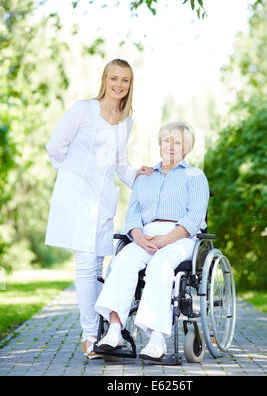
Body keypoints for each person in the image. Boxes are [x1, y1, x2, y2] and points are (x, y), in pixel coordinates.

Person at [45, 58, 152, 359]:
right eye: (114, 78)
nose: (119, 85)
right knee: (84, 265)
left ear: (131, 85)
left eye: (125, 80)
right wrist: (72, 179)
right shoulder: (83, 109)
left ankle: (99, 333)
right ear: (104, 79)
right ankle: (90, 336)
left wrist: (139, 178)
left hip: (105, 199)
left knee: (98, 266)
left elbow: (120, 164)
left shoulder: (125, 120)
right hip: (78, 197)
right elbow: (55, 147)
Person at [94, 121, 210, 360]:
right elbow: (133, 213)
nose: (171, 146)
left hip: (181, 237)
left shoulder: (195, 176)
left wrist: (167, 239)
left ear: (186, 148)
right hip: (145, 236)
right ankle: (115, 330)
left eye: (178, 143)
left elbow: (193, 217)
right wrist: (137, 235)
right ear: (159, 144)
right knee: (123, 258)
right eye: (167, 140)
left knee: (161, 263)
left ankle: (157, 338)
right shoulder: (145, 177)